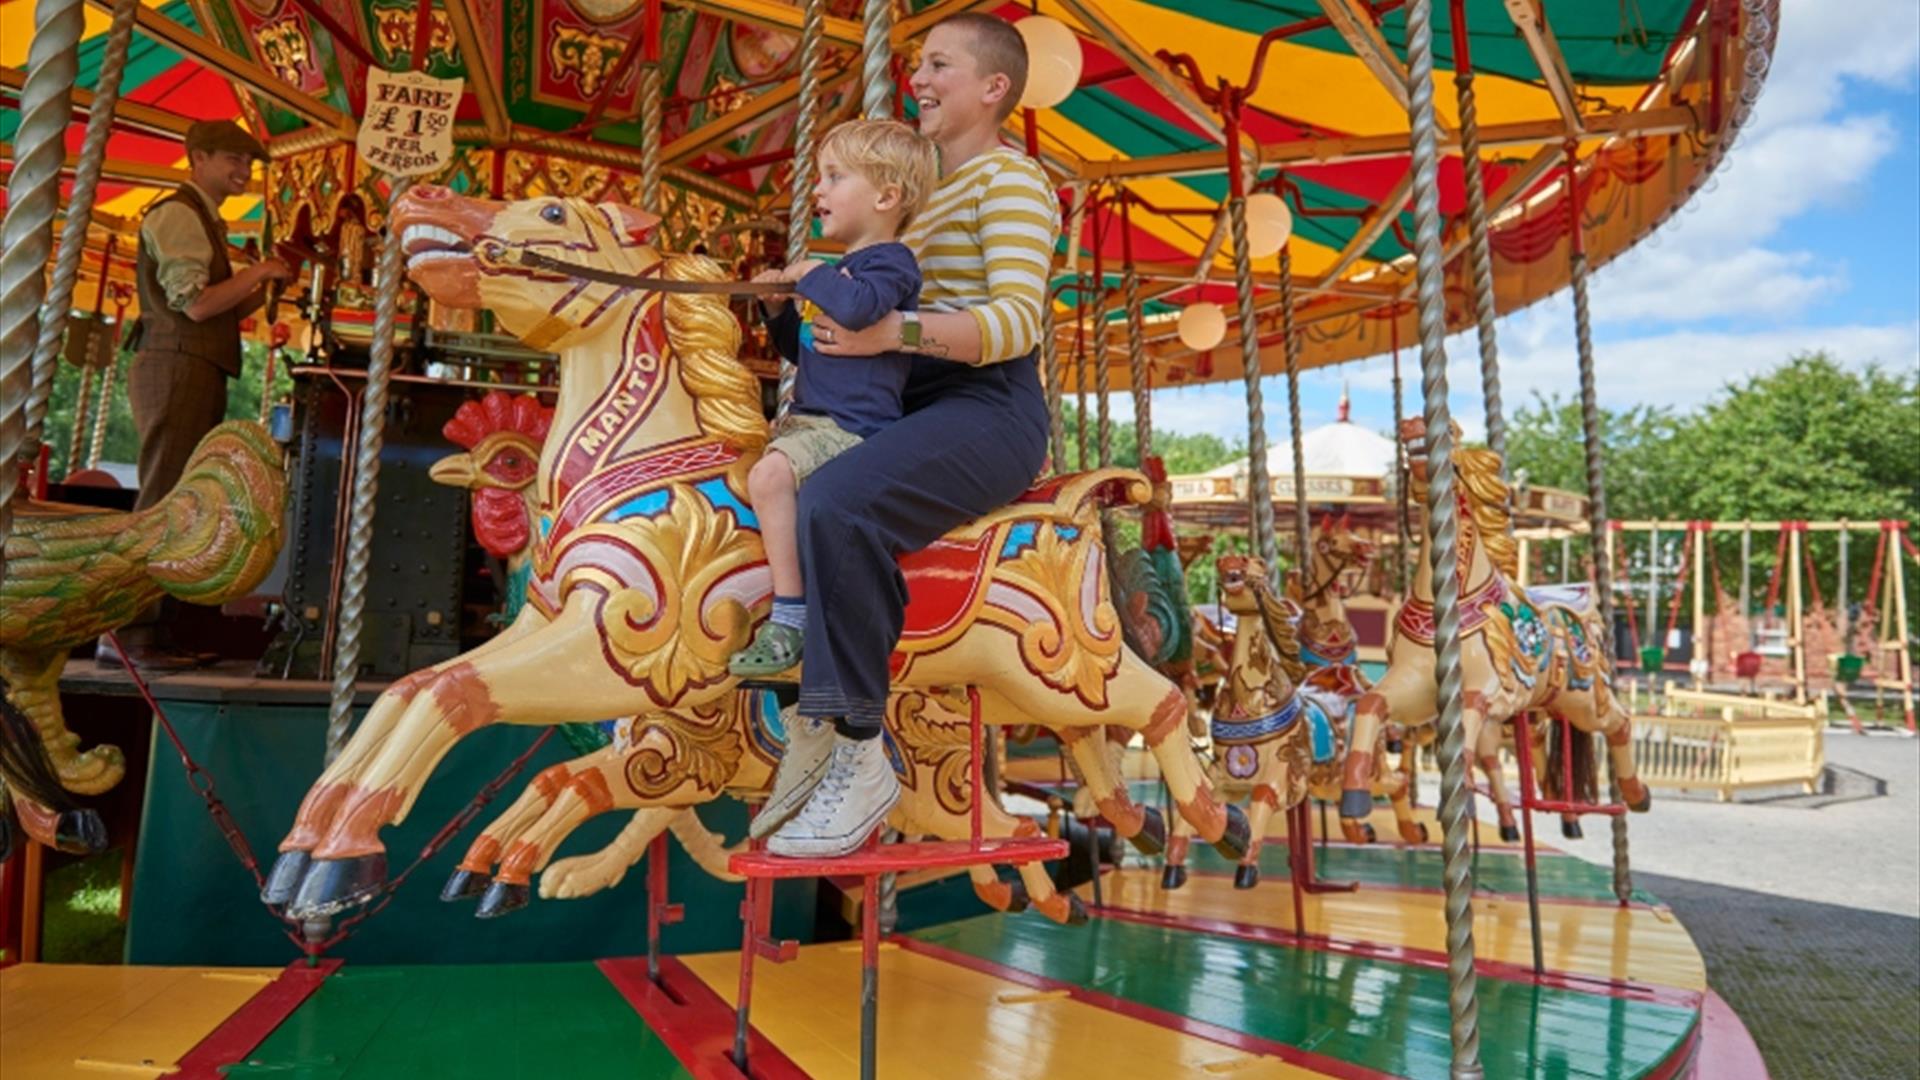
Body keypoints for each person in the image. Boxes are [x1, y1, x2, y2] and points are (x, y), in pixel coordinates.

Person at [758, 14, 1058, 858]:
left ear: (993, 88)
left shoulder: (1012, 184)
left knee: (838, 501)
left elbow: (1013, 322)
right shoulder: (915, 200)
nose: (916, 77)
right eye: (916, 63)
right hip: (900, 401)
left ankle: (857, 747)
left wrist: (895, 334)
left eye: (938, 65)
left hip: (986, 405)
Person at [729, 119, 938, 682]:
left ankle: (791, 616)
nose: (817, 190)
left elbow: (860, 310)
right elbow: (807, 350)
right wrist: (778, 310)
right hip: (811, 422)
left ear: (886, 196)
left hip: (851, 429)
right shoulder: (843, 273)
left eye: (834, 177)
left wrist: (810, 274)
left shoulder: (890, 264)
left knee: (770, 480)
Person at [104, 119, 292, 669]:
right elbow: (196, 305)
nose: (242, 172)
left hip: (197, 363)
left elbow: (222, 309)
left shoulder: (204, 219)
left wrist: (264, 283)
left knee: (181, 502)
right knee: (163, 500)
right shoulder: (178, 214)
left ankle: (157, 629)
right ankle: (126, 632)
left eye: (248, 164)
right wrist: (258, 269)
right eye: (232, 159)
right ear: (199, 157)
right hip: (178, 363)